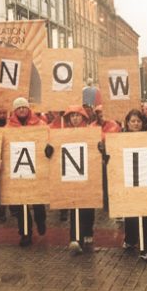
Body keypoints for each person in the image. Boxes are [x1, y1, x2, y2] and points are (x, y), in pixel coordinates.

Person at [53, 104, 96, 256]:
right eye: (72, 116)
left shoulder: (91, 132)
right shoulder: (64, 133)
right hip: (71, 173)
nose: (75, 118)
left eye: (77, 115)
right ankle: (75, 239)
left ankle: (87, 230)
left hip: (88, 173)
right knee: (74, 206)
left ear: (83, 117)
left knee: (87, 207)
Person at [6, 97, 48, 247]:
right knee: (21, 203)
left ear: (28, 109)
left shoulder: (41, 124)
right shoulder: (9, 128)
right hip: (18, 169)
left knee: (37, 202)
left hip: (36, 167)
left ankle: (41, 220)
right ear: (15, 110)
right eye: (19, 108)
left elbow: (47, 141)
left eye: (24, 107)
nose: (22, 110)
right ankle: (25, 232)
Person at [120, 109, 147, 262]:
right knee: (130, 213)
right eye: (133, 121)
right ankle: (130, 239)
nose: (136, 124)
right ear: (127, 123)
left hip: (144, 178)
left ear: (143, 123)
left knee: (144, 215)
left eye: (138, 121)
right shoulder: (120, 138)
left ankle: (146, 248)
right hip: (127, 179)